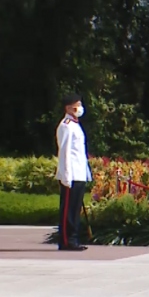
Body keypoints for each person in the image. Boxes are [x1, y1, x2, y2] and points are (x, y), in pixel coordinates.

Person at [55, 93, 92, 252]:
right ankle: (66, 240)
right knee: (67, 211)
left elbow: (80, 152)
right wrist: (66, 175)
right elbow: (65, 152)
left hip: (79, 173)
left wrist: (86, 172)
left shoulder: (76, 125)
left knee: (75, 209)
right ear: (68, 107)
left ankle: (73, 238)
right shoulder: (66, 125)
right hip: (70, 174)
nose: (79, 107)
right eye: (76, 104)